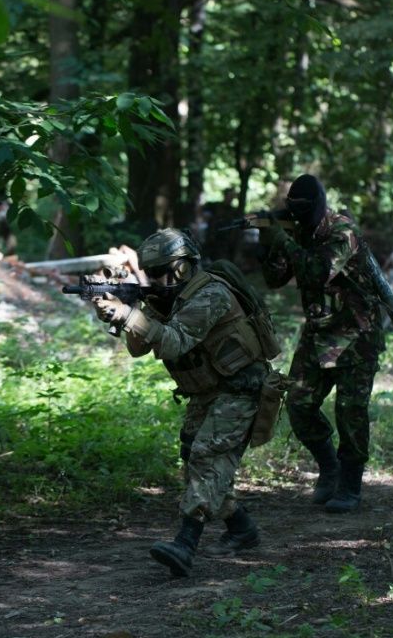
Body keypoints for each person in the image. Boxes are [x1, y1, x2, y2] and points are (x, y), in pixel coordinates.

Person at [94, 229, 268, 576]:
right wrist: (120, 315)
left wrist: (129, 314)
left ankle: (185, 544)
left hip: (240, 389)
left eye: (161, 271)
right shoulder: (166, 298)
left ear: (182, 268)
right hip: (207, 391)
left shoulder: (211, 295)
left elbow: (174, 343)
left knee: (207, 458)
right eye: (151, 272)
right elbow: (139, 348)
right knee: (194, 461)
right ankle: (242, 528)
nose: (155, 279)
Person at [259, 174, 386, 513]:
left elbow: (316, 270)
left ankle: (350, 482)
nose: (300, 218)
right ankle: (330, 468)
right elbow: (274, 279)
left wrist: (283, 240)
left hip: (357, 334)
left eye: (304, 212)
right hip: (320, 334)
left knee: (350, 410)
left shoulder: (343, 232)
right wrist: (267, 239)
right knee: (298, 404)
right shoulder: (298, 230)